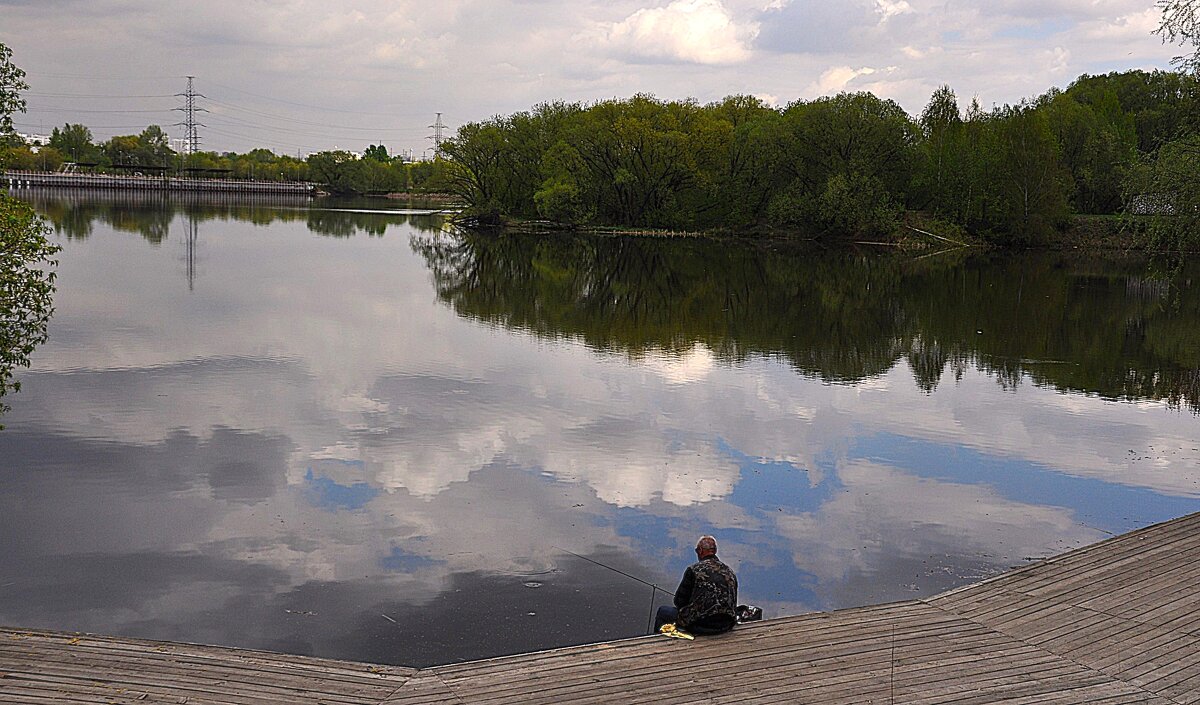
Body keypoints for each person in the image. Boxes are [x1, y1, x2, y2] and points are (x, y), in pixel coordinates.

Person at [653, 535, 738, 635]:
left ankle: (658, 643)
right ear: (714, 551)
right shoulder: (729, 571)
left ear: (700, 551)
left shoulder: (694, 570)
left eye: (697, 550)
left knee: (663, 612)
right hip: (726, 624)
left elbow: (679, 602)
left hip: (701, 625)